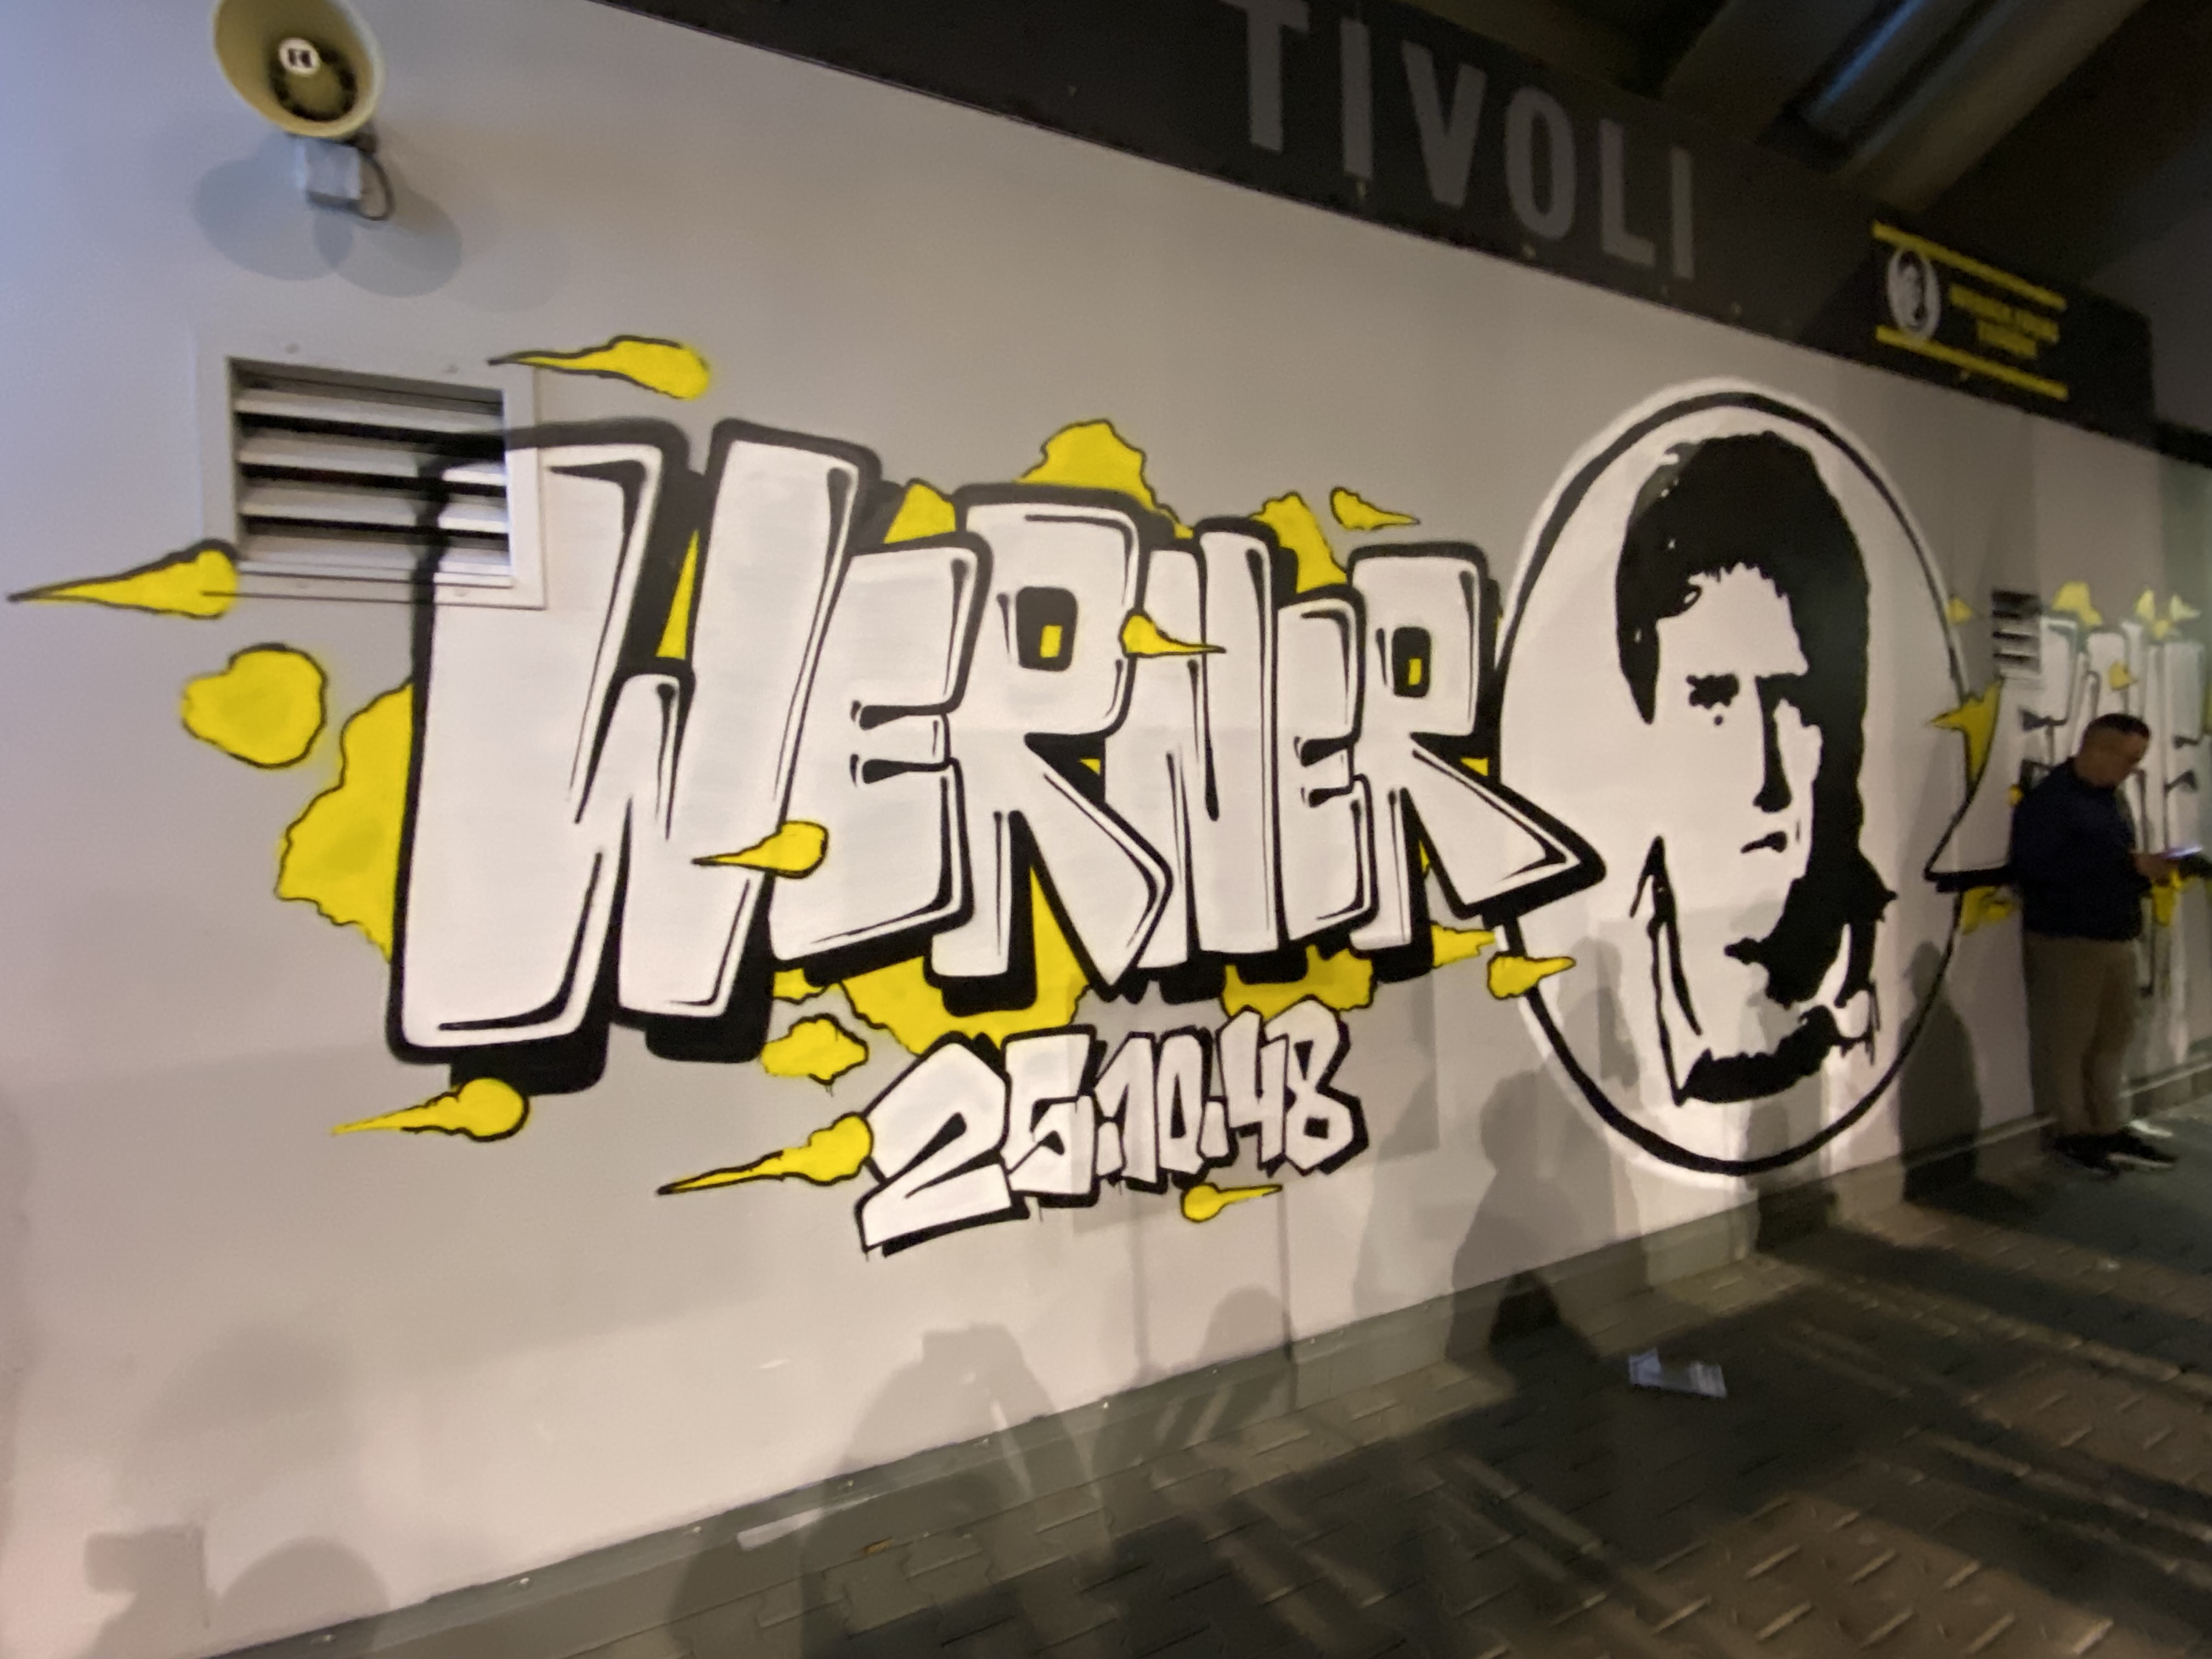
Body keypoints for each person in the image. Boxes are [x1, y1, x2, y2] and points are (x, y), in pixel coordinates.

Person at [1615, 431, 1893, 1104]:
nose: (1769, 786)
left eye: (1792, 702)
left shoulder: (1852, 987)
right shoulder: (1611, 1003)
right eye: (1712, 699)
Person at [2009, 712, 2179, 1176]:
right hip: (2069, 938)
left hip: (2115, 933)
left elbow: (2107, 861)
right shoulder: (2050, 802)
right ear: (2097, 749)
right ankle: (2075, 1134)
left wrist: (2141, 871)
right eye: (2128, 759)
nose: (2131, 770)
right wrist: (2129, 867)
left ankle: (2108, 1128)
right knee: (2070, 1042)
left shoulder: (2108, 800)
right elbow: (2037, 872)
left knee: (2113, 1038)